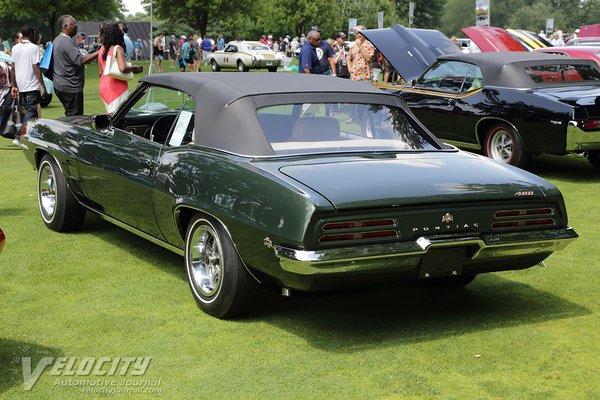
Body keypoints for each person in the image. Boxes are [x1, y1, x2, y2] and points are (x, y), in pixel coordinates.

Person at [52, 15, 99, 116]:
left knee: (71, 115)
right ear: (65, 26)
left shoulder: (57, 40)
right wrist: (100, 51)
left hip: (61, 85)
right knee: (75, 119)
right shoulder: (66, 41)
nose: (76, 26)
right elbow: (81, 60)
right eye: (73, 24)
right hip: (70, 86)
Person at [10, 25, 47, 146]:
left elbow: (13, 68)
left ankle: (34, 137)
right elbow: (36, 67)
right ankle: (18, 135)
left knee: (31, 110)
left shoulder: (15, 48)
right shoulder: (33, 48)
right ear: (31, 34)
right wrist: (42, 85)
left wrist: (14, 85)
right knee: (31, 109)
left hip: (21, 83)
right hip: (31, 83)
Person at [98, 23, 142, 113]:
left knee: (111, 114)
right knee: (118, 116)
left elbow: (100, 72)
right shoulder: (118, 48)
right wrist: (134, 68)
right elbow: (123, 68)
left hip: (104, 85)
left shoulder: (101, 49)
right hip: (116, 87)